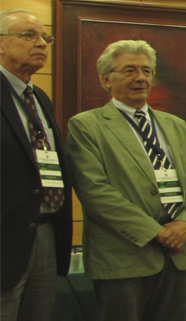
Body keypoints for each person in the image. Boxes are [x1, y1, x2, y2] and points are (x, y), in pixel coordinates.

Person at [65, 39, 186, 321]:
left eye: (146, 70)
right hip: (123, 257)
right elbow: (96, 193)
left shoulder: (175, 125)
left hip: (177, 255)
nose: (140, 78)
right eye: (129, 70)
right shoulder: (86, 125)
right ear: (107, 78)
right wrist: (156, 233)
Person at [0, 9, 73, 321]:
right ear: (1, 44)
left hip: (44, 230)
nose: (42, 43)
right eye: (28, 35)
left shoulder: (39, 97)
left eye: (46, 37)